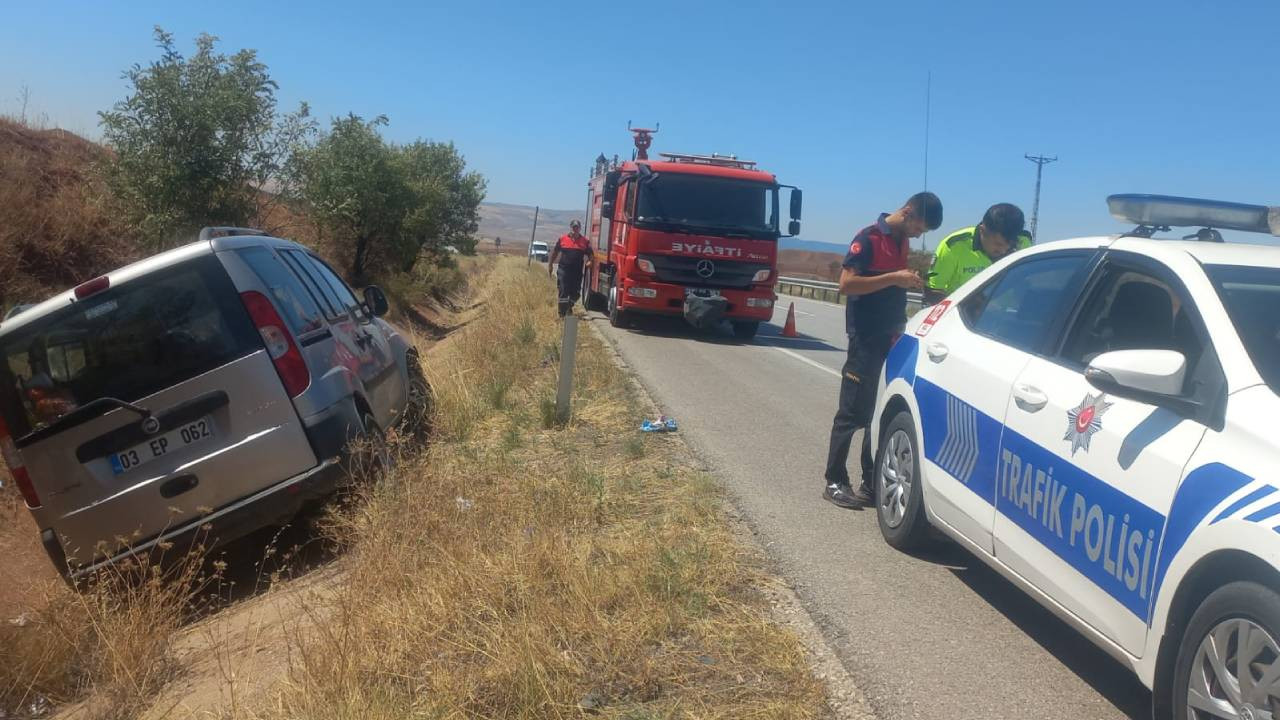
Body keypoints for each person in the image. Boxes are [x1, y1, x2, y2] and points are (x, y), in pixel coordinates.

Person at [824, 192, 942, 509]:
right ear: (907, 212)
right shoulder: (869, 237)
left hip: (892, 336)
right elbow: (847, 284)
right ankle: (834, 480)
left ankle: (870, 481)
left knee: (877, 412)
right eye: (921, 227)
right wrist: (894, 278)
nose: (920, 235)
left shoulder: (902, 240)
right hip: (865, 336)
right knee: (852, 413)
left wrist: (909, 283)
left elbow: (889, 283)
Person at [924, 203, 1031, 304]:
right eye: (998, 244)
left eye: (1010, 246)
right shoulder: (954, 246)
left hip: (1009, 318)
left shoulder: (1024, 242)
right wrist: (969, 307)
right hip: (963, 318)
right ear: (982, 230)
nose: (1003, 251)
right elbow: (932, 291)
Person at [548, 219, 593, 317]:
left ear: (579, 229)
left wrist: (590, 261)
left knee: (576, 293)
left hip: (577, 272)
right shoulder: (563, 239)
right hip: (564, 270)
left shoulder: (584, 241)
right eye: (573, 227)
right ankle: (562, 314)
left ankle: (568, 306)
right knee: (563, 290)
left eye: (577, 227)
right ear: (571, 228)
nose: (575, 229)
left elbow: (590, 254)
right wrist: (550, 264)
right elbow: (555, 252)